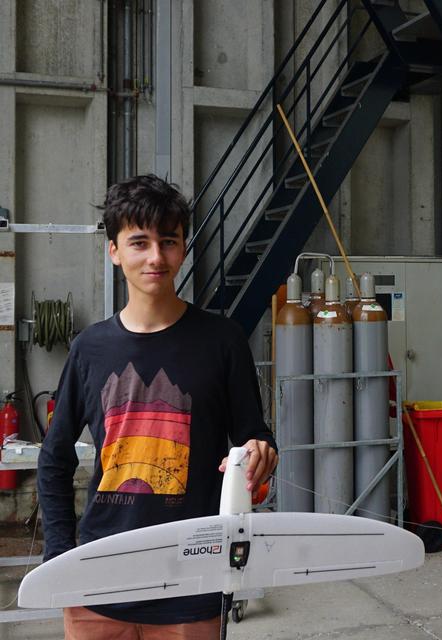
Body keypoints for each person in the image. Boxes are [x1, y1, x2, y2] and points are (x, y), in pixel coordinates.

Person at [37, 174, 278, 639]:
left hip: (192, 576)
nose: (155, 257)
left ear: (183, 248)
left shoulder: (222, 341)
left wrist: (260, 454)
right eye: (139, 242)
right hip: (97, 574)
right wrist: (60, 559)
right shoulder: (90, 348)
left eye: (168, 242)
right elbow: (54, 458)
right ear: (114, 251)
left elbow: (255, 435)